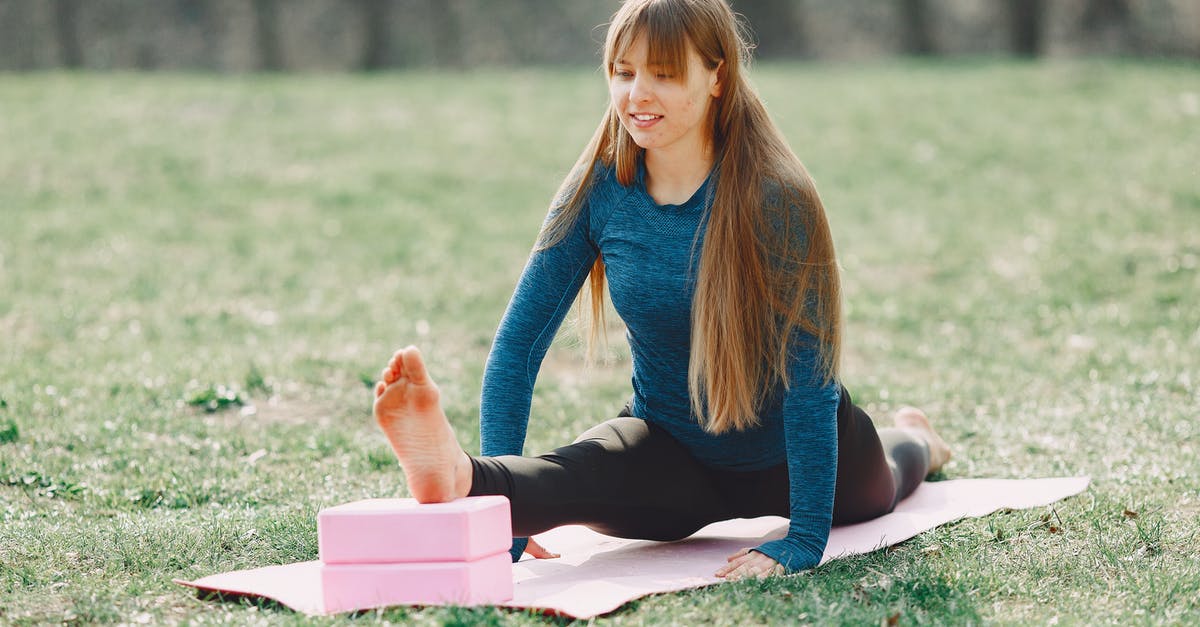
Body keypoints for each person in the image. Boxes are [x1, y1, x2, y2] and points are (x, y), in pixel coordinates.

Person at [372, 0, 951, 581]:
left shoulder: (777, 196)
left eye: (665, 74)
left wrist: (801, 538)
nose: (637, 94)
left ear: (717, 75)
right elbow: (517, 348)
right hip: (670, 455)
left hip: (794, 456)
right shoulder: (597, 190)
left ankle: (923, 441)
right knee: (576, 476)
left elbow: (811, 381)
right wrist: (509, 523)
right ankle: (462, 476)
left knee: (893, 476)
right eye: (624, 73)